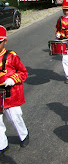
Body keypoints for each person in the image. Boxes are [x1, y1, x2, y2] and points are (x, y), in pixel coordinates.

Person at [0, 26, 29, 156]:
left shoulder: (11, 56)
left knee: (15, 117)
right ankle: (2, 144)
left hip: (10, 95)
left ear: (4, 41)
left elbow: (23, 72)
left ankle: (24, 134)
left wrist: (13, 79)